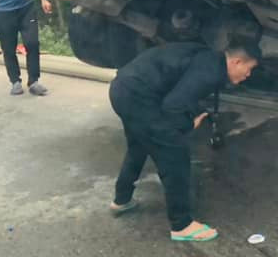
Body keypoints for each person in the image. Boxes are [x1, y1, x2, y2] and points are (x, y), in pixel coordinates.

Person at [108, 39, 261, 241]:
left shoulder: (209, 58)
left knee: (138, 146)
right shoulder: (210, 71)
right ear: (237, 62)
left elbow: (181, 88)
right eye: (249, 69)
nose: (248, 75)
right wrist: (188, 124)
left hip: (123, 89)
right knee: (175, 153)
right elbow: (173, 107)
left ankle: (122, 200)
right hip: (138, 96)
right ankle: (182, 224)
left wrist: (194, 113)